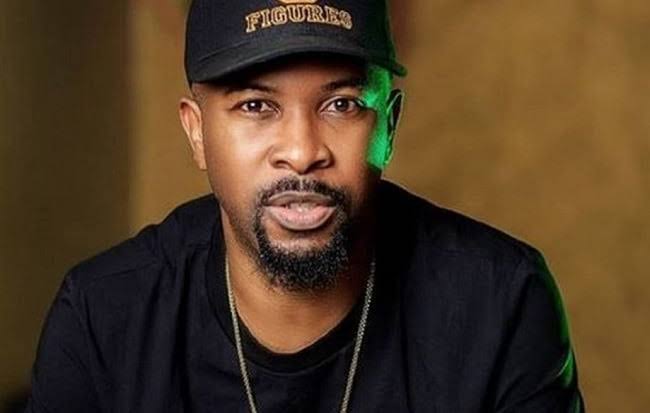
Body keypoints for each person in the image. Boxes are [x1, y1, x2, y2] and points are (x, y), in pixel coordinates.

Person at [26, 0, 584, 412]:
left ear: (389, 125)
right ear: (197, 133)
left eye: (341, 104)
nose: (301, 152)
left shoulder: (499, 301)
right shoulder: (105, 316)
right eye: (256, 105)